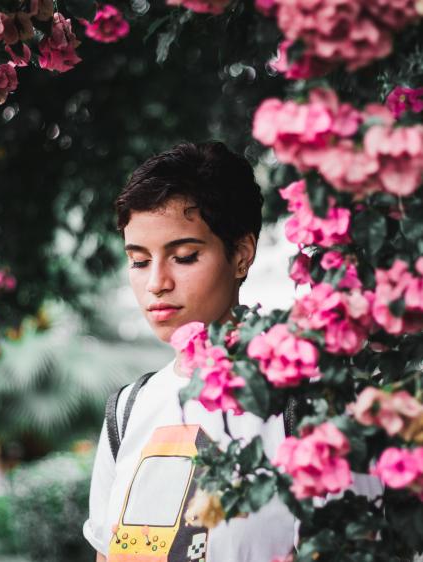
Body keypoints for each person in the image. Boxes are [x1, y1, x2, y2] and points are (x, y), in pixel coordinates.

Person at [83, 141, 381, 562]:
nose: (156, 283)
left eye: (184, 256)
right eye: (138, 260)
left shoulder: (310, 401)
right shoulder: (128, 409)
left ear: (241, 255)